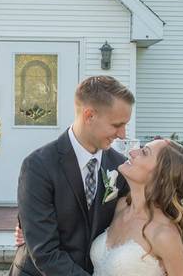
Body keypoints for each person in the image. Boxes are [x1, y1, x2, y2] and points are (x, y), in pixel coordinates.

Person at [9, 75, 135, 276]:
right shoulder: (38, 166)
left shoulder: (120, 167)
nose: (122, 134)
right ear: (89, 115)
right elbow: (45, 253)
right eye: (116, 124)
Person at [89, 138, 183, 276]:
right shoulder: (120, 206)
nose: (132, 152)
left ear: (161, 177)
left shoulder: (164, 234)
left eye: (144, 152)